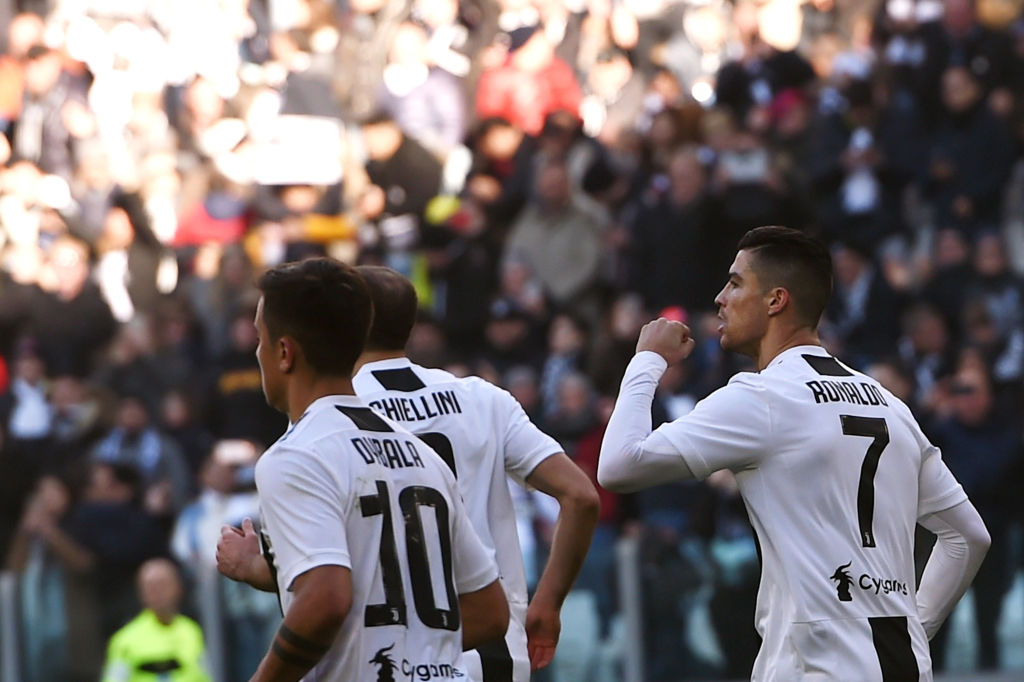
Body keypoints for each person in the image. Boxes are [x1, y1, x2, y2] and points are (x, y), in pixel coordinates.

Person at [598, 226, 991, 680]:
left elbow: (618, 465)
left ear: (776, 300)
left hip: (816, 667)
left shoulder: (763, 397)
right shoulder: (891, 406)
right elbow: (969, 537)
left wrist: (647, 359)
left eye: (735, 283)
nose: (720, 298)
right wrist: (915, 628)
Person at [216, 258, 509, 681]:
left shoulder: (295, 456)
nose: (257, 354)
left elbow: (326, 599)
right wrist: (408, 648)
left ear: (284, 353)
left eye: (260, 340)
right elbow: (490, 611)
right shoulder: (422, 455)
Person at [351, 265, 600, 680]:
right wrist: (548, 603)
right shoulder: (482, 398)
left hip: (392, 654)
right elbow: (581, 496)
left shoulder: (335, 414)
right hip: (495, 649)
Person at [102, 558, 210, 682]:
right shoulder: (124, 640)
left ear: (178, 587)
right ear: (141, 592)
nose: (158, 592)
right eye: (151, 586)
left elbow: (205, 676)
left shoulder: (192, 631)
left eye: (162, 585)